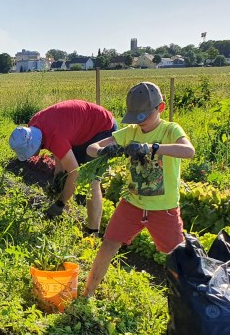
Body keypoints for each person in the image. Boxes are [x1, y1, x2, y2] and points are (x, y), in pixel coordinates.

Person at [83, 82, 196, 296]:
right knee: (108, 244)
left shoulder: (170, 130)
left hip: (164, 209)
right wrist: (105, 152)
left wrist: (151, 148)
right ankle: (87, 293)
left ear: (160, 108)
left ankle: (189, 301)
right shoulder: (131, 132)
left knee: (177, 257)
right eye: (136, 119)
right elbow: (92, 147)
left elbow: (188, 151)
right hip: (132, 204)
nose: (141, 125)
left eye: (145, 117)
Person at [9, 100, 117, 234]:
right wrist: (57, 180)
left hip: (102, 129)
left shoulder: (56, 137)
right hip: (81, 131)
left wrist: (59, 203)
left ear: (34, 143)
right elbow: (59, 154)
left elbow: (75, 173)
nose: (32, 155)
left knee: (91, 180)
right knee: (64, 176)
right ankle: (66, 218)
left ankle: (92, 232)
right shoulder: (34, 126)